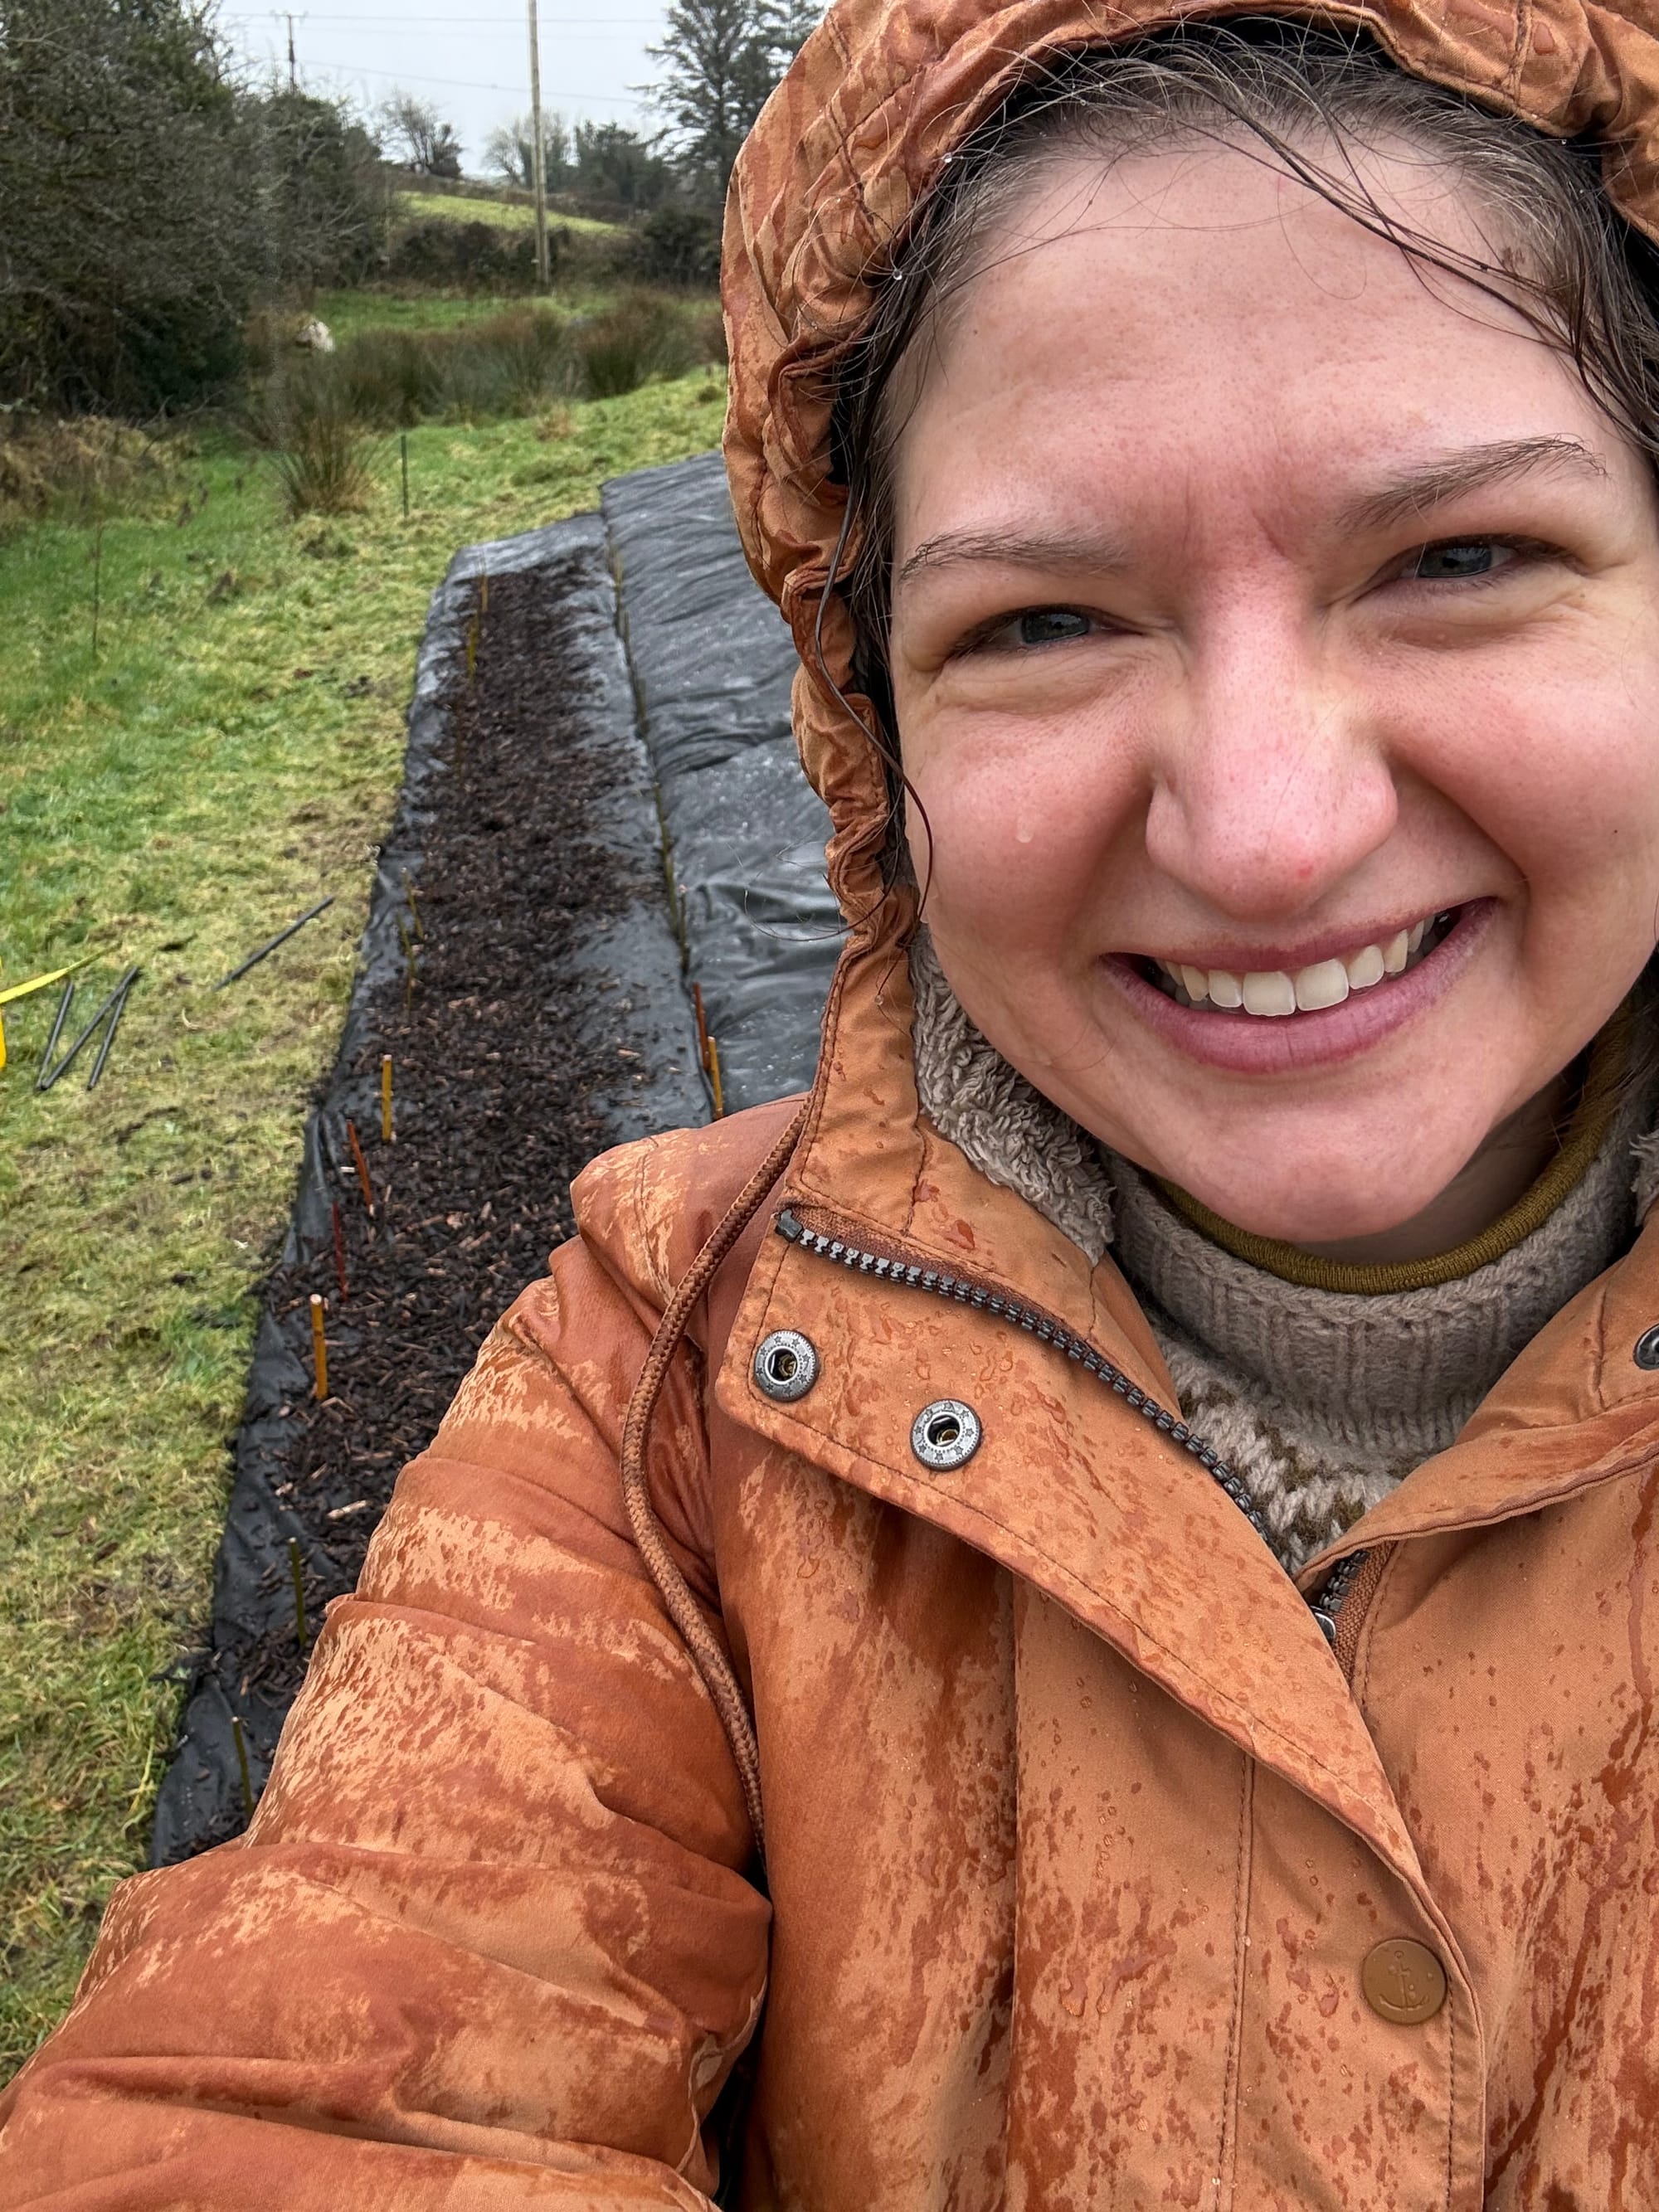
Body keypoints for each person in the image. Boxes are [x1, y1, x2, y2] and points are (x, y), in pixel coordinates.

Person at [6, 0, 1659, 2201]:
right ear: (872, 719)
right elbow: (319, 2104)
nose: (1268, 833)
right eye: (1046, 622)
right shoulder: (668, 1388)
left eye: (1460, 562)